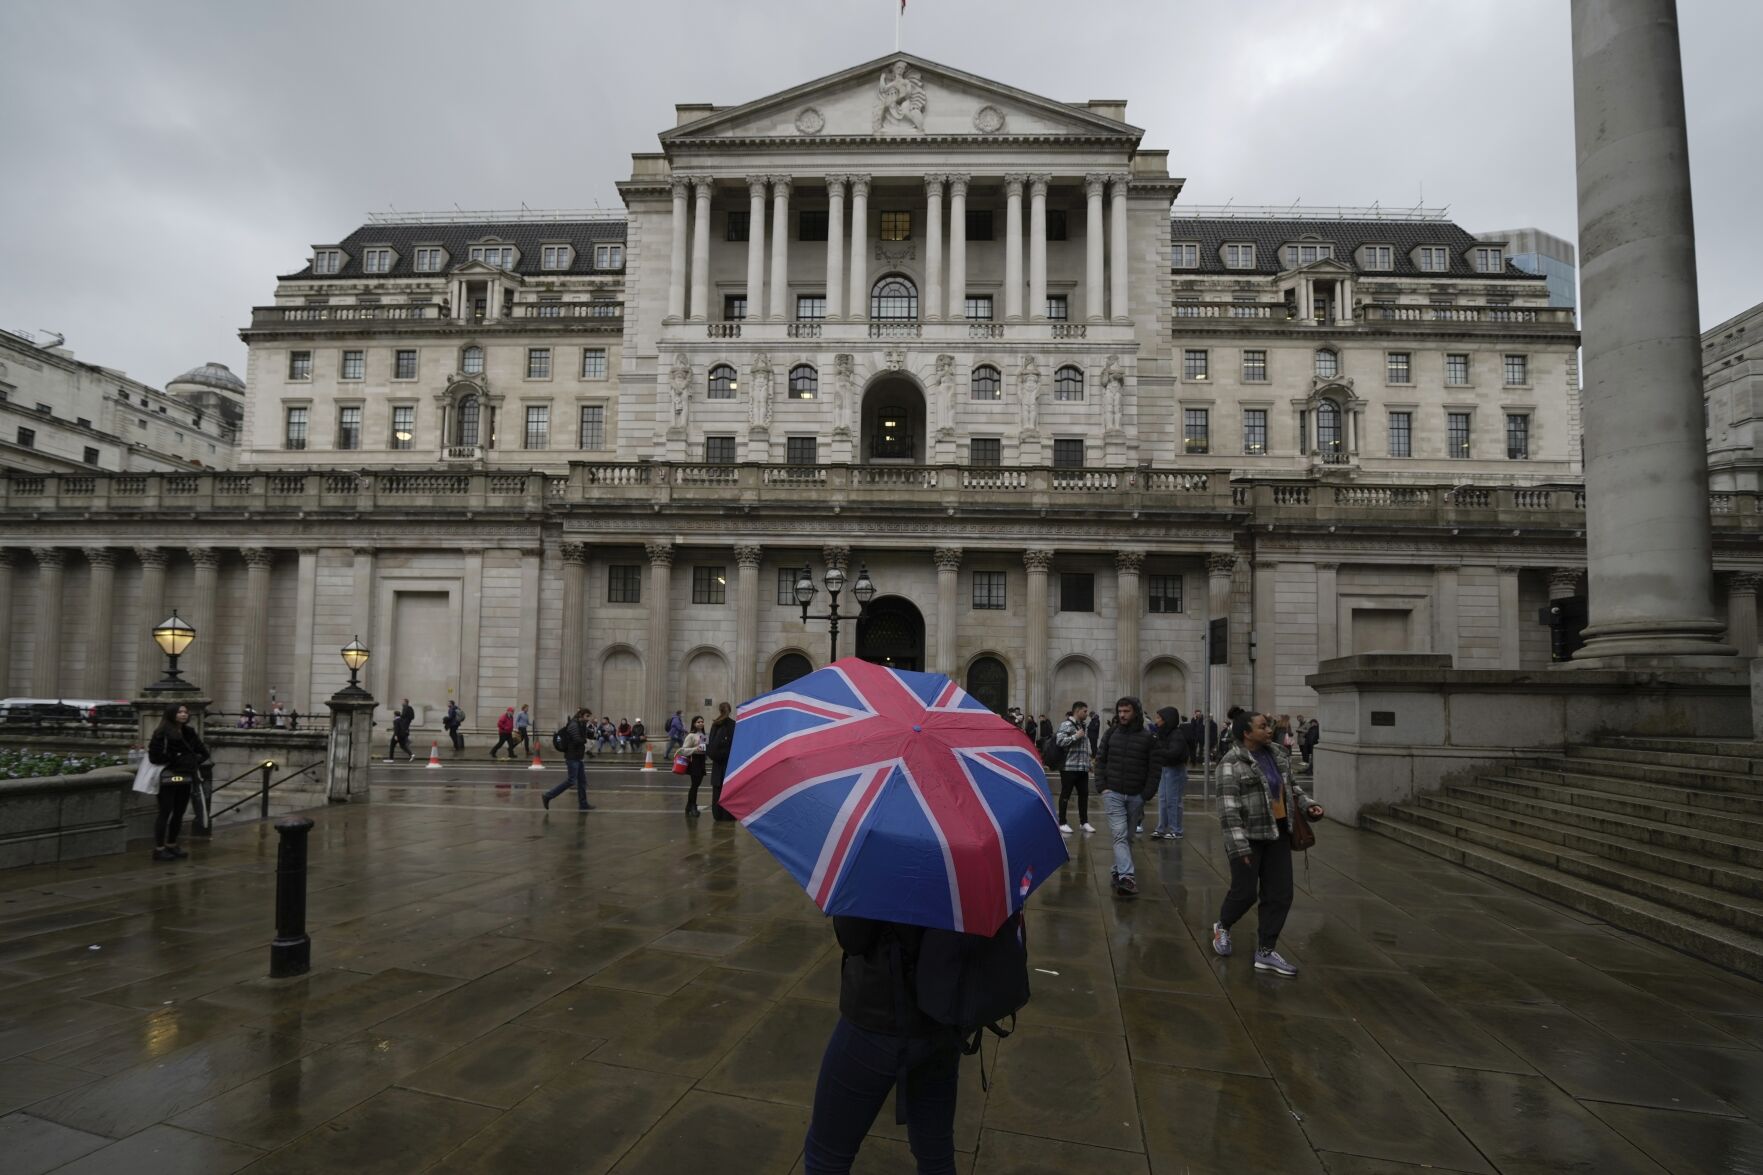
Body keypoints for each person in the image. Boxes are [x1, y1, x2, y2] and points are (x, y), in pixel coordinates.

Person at [802, 917, 962, 1174]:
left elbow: (853, 939)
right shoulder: (964, 875)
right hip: (942, 1021)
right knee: (936, 1154)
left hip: (878, 1020)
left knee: (826, 1156)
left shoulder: (878, 873)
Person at [1212, 711, 1325, 978]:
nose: (1268, 730)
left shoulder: (1277, 754)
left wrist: (1309, 806)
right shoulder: (1230, 764)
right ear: (1246, 734)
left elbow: (1292, 788)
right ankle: (1224, 925)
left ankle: (1265, 950)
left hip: (1278, 834)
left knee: (1280, 894)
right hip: (1248, 838)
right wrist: (1240, 849)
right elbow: (1228, 812)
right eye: (1262, 727)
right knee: (1245, 893)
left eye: (1268, 725)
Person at [1093, 697, 1160, 897]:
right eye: (1120, 711)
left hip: (1135, 795)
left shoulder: (1148, 738)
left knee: (1127, 837)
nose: (1122, 715)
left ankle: (1117, 870)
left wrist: (1146, 795)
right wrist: (1102, 787)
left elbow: (1154, 769)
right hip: (1112, 793)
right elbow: (1100, 760)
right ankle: (1127, 877)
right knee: (1120, 834)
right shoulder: (1111, 733)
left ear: (1135, 713)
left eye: (1126, 711)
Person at [147, 702, 209, 862]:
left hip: (186, 776)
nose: (184, 714)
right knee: (165, 812)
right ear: (172, 714)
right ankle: (159, 849)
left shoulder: (189, 732)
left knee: (179, 812)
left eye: (186, 712)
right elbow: (155, 756)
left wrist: (193, 761)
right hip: (168, 777)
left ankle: (172, 844)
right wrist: (178, 759)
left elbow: (203, 753)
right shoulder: (162, 732)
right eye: (180, 712)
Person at [1149, 705, 1189, 840]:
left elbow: (1174, 752)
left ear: (1167, 720)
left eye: (1159, 718)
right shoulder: (1163, 733)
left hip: (1174, 769)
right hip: (1165, 768)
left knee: (1173, 800)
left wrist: (1158, 752)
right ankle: (1162, 828)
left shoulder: (1176, 734)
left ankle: (1176, 830)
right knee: (1163, 800)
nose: (1157, 721)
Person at [1053, 703, 1093, 835]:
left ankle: (1084, 821)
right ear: (1077, 711)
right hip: (1069, 767)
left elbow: (1084, 746)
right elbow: (1060, 741)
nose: (1087, 714)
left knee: (1084, 794)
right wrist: (1076, 736)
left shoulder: (1082, 725)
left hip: (1082, 767)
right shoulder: (1066, 725)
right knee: (1066, 794)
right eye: (1085, 711)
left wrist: (1089, 763)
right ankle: (1062, 822)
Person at [542, 708, 593, 811]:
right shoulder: (574, 724)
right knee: (571, 781)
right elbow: (577, 739)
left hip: (578, 756)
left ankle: (583, 804)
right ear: (581, 715)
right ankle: (548, 796)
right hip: (572, 757)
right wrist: (585, 740)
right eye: (587, 716)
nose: (588, 719)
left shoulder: (581, 724)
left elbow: (583, 736)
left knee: (582, 782)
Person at [706, 701, 737, 821]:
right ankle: (727, 815)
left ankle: (717, 814)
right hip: (729, 762)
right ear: (730, 711)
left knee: (717, 790)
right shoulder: (733, 724)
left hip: (718, 763)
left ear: (720, 710)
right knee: (728, 789)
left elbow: (710, 744)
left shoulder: (715, 724)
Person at [681, 715, 708, 816]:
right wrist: (695, 749)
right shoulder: (691, 735)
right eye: (698, 722)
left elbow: (704, 748)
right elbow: (683, 750)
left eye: (702, 721)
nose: (701, 723)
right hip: (694, 761)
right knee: (695, 785)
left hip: (701, 761)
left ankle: (689, 805)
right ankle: (692, 806)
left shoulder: (704, 735)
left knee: (697, 784)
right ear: (694, 724)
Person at [387, 697, 415, 762]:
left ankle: (391, 758)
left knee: (392, 745)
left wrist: (396, 735)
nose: (401, 703)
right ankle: (411, 754)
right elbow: (411, 718)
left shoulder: (398, 719)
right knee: (403, 746)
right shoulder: (406, 712)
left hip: (398, 734)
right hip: (403, 732)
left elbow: (397, 728)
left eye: (402, 702)